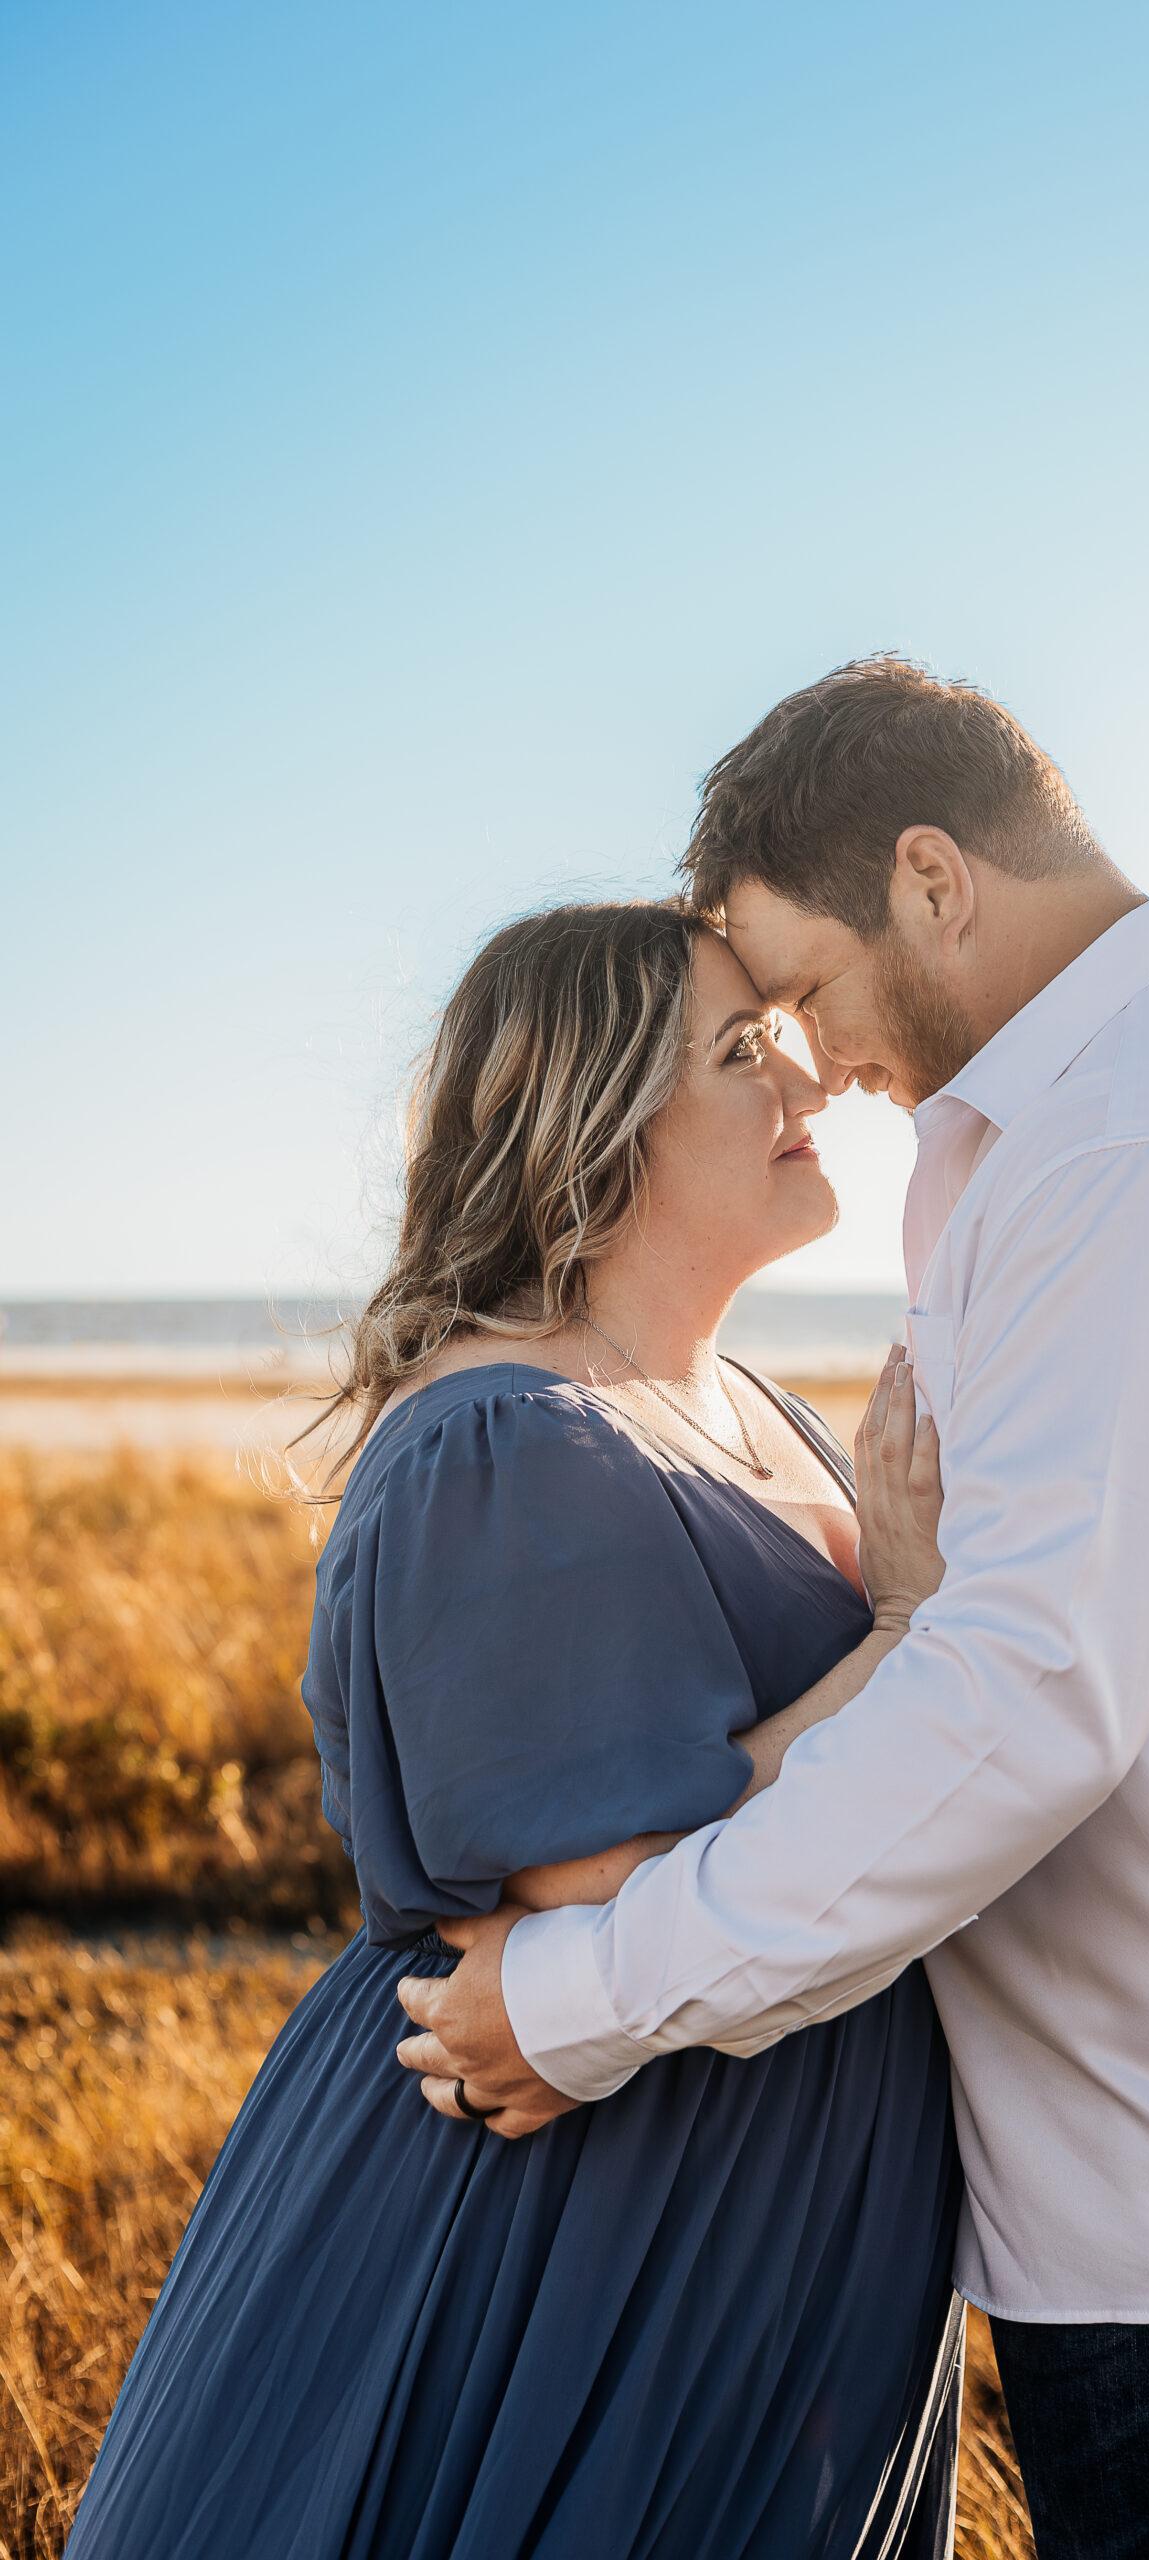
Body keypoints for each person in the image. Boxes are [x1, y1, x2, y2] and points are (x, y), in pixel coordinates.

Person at [402, 661, 1149, 2560]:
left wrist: (586, 2001)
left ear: (935, 879)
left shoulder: (1140, 1137)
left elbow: (1031, 1694)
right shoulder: (1079, 1120)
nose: (809, 1055)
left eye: (807, 990)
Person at [66, 901, 963, 2560]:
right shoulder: (508, 1438)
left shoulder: (732, 1394)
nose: (807, 1081)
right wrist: (909, 1635)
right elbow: (602, 1868)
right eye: (741, 1051)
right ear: (600, 1129)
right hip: (577, 2221)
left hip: (760, 2190)